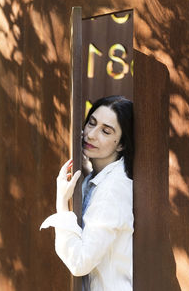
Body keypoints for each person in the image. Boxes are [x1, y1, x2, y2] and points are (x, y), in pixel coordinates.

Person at [40, 95, 134, 291]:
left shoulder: (114, 189)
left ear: (121, 144)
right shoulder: (98, 179)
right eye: (91, 123)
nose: (91, 134)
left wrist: (62, 204)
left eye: (106, 131)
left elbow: (79, 262)